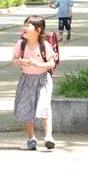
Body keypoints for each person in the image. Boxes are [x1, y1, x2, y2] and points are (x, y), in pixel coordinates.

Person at [11, 15, 56, 150]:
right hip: (26, 79)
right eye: (24, 25)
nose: (24, 28)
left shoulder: (44, 45)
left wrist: (37, 64)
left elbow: (51, 64)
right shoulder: (21, 44)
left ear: (38, 30)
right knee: (27, 108)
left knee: (44, 106)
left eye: (28, 25)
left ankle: (48, 137)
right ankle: (31, 138)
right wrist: (20, 62)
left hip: (43, 80)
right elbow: (14, 59)